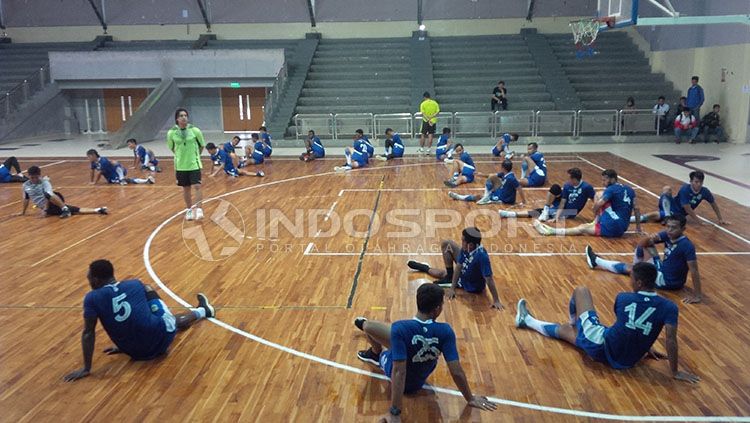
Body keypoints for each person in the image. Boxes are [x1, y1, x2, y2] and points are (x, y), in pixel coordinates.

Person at [514, 262, 700, 383]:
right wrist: (673, 370)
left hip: (604, 348)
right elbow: (669, 340)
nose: (631, 281)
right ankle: (528, 320)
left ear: (640, 283)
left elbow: (628, 324)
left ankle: (564, 322)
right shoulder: (670, 307)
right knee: (571, 334)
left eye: (632, 278)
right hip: (631, 359)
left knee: (581, 291)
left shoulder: (624, 298)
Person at [353, 284, 497, 422]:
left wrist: (395, 411)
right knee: (398, 338)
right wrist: (470, 398)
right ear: (437, 309)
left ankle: (375, 354)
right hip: (418, 382)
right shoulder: (446, 331)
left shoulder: (400, 327)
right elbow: (456, 371)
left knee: (368, 326)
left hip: (392, 365)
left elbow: (399, 372)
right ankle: (391, 346)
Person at [63, 259, 216, 382]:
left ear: (95, 280)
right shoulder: (135, 284)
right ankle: (203, 311)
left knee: (159, 319)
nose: (89, 281)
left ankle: (193, 314)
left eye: (89, 278)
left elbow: (88, 333)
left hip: (134, 352)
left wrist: (86, 368)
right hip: (162, 341)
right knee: (152, 296)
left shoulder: (91, 298)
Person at [585, 215, 703, 304]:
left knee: (632, 268)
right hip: (664, 271)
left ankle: (597, 261)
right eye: (668, 227)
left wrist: (697, 295)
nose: (670, 230)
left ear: (683, 229)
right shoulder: (667, 235)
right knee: (647, 245)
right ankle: (637, 268)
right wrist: (650, 238)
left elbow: (694, 270)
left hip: (667, 281)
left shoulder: (687, 246)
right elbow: (642, 243)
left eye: (674, 228)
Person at [406, 228, 503, 309]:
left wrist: (496, 300)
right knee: (447, 244)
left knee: (437, 281)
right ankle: (439, 272)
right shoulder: (467, 249)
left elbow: (489, 279)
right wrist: (452, 287)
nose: (461, 242)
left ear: (471, 244)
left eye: (463, 240)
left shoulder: (482, 257)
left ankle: (424, 268)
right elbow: (459, 266)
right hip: (465, 272)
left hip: (470, 285)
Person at [533, 169, 641, 237]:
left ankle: (551, 231)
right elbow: (636, 209)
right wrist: (638, 228)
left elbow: (598, 204)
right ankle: (552, 229)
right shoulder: (630, 189)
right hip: (623, 227)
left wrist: (594, 210)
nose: (603, 183)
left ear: (612, 180)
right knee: (583, 226)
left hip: (611, 225)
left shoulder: (610, 189)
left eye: (604, 180)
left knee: (598, 195)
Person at [20, 166, 107, 218]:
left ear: (39, 175)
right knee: (75, 210)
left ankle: (64, 209)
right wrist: (23, 212)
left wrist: (45, 210)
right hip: (50, 208)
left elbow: (48, 196)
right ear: (29, 176)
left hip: (53, 201)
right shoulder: (25, 185)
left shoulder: (45, 182)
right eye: (32, 178)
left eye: (36, 177)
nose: (34, 179)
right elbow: (26, 199)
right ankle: (98, 210)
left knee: (49, 194)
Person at [167, 108, 205, 221]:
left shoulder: (195, 130)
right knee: (186, 188)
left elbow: (201, 145)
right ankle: (189, 210)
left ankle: (199, 210)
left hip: (194, 164)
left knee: (197, 186)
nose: (184, 117)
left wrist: (195, 156)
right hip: (181, 166)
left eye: (185, 115)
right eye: (181, 116)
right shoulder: (171, 133)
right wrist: (180, 156)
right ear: (177, 119)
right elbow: (172, 147)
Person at [449, 160, 526, 206]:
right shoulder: (505, 174)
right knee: (491, 178)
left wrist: (523, 202)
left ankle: (459, 197)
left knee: (478, 196)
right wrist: (481, 174)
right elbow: (492, 175)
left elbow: (519, 188)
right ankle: (486, 196)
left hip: (503, 199)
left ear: (502, 167)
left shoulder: (511, 178)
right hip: (501, 192)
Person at [87, 149, 153, 185]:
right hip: (110, 177)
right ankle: (122, 179)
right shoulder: (93, 162)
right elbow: (91, 171)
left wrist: (95, 182)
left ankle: (146, 181)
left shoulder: (103, 161)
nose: (88, 158)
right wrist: (91, 180)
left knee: (127, 180)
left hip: (115, 173)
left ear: (93, 155)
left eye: (89, 156)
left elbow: (99, 173)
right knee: (123, 181)